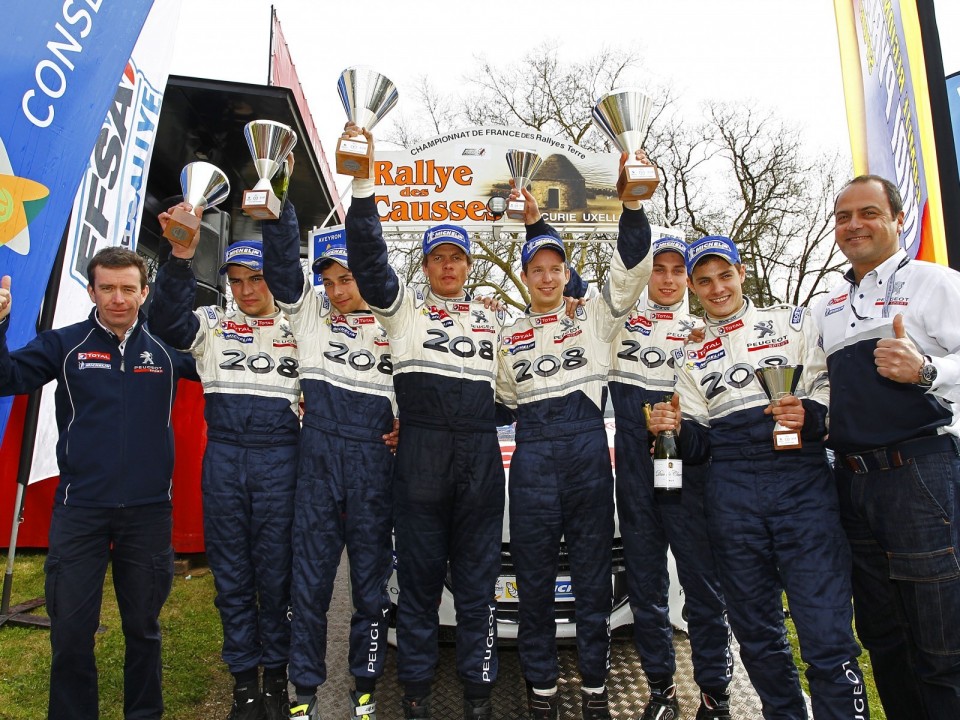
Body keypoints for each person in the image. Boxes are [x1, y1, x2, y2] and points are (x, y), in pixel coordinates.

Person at [649, 235, 868, 720]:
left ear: (741, 272)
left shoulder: (791, 321)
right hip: (731, 498)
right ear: (692, 287)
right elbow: (701, 447)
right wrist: (678, 431)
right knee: (758, 637)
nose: (716, 288)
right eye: (704, 280)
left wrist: (808, 415)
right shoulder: (689, 354)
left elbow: (831, 390)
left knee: (825, 635)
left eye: (724, 275)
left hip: (802, 488)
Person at [342, 123, 510, 720]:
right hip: (419, 460)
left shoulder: (495, 318)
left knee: (477, 587)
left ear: (467, 264)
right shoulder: (403, 311)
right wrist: (363, 183)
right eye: (436, 257)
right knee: (415, 586)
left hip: (480, 460)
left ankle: (478, 696)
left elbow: (523, 386)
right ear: (426, 264)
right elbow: (367, 259)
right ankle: (414, 694)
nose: (446, 266)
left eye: (455, 257)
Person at [0, 248, 196, 720]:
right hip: (80, 510)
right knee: (70, 632)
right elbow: (7, 377)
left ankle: (144, 714)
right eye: (107, 287)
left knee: (144, 629)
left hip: (149, 512)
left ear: (144, 292)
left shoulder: (169, 349)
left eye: (128, 288)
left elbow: (233, 378)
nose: (118, 298)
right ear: (91, 291)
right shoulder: (65, 344)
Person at [496, 168, 652, 720]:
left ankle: (593, 688)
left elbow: (632, 268)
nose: (545, 277)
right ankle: (540, 689)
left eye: (553, 269)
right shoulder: (505, 333)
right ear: (524, 275)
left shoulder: (594, 319)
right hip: (534, 458)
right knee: (534, 582)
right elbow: (495, 398)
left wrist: (633, 207)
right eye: (535, 270)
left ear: (567, 273)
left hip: (587, 457)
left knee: (591, 582)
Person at [815, 174, 960, 719]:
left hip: (919, 476)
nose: (855, 225)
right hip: (851, 485)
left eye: (869, 213)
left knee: (941, 642)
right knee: (884, 638)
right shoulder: (827, 306)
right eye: (844, 216)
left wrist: (926, 370)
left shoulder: (934, 283)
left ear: (898, 220)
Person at [152, 209, 301, 720]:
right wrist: (180, 256)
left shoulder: (301, 325)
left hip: (282, 462)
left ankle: (277, 682)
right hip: (225, 464)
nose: (245, 290)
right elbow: (167, 322)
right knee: (233, 579)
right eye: (236, 281)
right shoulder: (212, 325)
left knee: (277, 579)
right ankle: (244, 685)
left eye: (255, 278)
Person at [260, 192, 396, 720]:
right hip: (317, 463)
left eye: (349, 278)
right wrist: (277, 210)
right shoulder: (312, 318)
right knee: (309, 586)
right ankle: (305, 692)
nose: (338, 290)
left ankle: (364, 686)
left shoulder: (398, 321)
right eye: (330, 280)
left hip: (372, 468)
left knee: (370, 588)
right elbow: (280, 269)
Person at [607, 236, 732, 720]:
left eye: (677, 271)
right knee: (646, 590)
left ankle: (715, 693)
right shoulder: (616, 330)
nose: (667, 278)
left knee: (702, 589)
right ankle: (660, 690)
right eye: (658, 269)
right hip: (636, 477)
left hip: (689, 475)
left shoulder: (704, 332)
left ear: (687, 280)